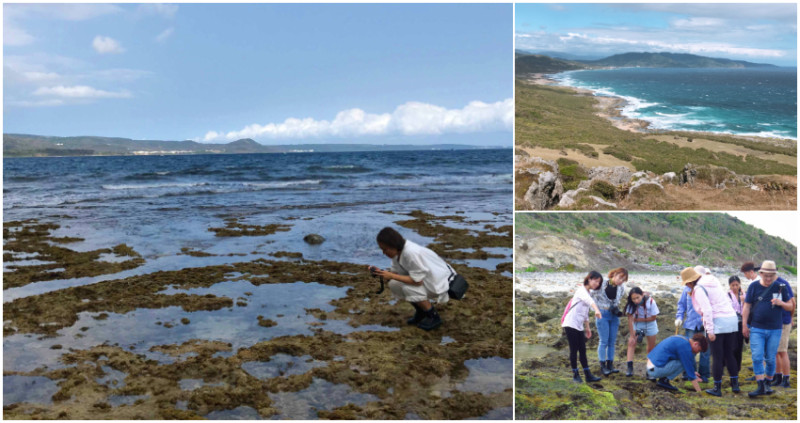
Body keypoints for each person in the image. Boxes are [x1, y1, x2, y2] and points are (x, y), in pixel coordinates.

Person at [369, 227, 452, 331]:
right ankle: (421, 312)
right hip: (428, 279)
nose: (384, 253)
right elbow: (395, 273)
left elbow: (417, 281)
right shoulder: (398, 253)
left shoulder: (410, 253)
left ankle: (434, 316)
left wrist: (392, 276)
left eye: (385, 249)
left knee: (408, 288)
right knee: (394, 284)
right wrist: (380, 273)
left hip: (440, 282)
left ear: (393, 245)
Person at [681, 267, 739, 396]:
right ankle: (735, 385)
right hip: (731, 319)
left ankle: (717, 388)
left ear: (690, 282)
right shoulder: (713, 280)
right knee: (729, 354)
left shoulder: (698, 289)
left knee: (717, 357)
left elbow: (707, 310)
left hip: (718, 321)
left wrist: (710, 330)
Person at [741, 260, 794, 397]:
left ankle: (768, 383)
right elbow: (746, 306)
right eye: (766, 275)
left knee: (770, 359)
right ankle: (760, 385)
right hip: (757, 328)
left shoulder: (780, 286)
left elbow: (791, 306)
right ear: (761, 273)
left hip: (775, 329)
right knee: (757, 357)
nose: (769, 278)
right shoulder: (753, 286)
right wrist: (744, 324)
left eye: (772, 275)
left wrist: (781, 303)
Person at [561, 271, 604, 383]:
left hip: (579, 325)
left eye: (599, 282)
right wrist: (597, 310)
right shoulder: (581, 290)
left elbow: (585, 313)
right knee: (574, 350)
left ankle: (587, 374)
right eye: (595, 280)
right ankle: (575, 374)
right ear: (589, 279)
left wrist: (587, 328)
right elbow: (590, 302)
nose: (597, 284)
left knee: (583, 350)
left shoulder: (588, 293)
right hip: (570, 323)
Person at [591, 267, 628, 376]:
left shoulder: (621, 288)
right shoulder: (602, 284)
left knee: (612, 341)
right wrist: (596, 310)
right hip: (602, 314)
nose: (620, 281)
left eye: (623, 279)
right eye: (619, 277)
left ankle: (610, 364)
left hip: (614, 316)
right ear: (614, 274)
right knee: (603, 341)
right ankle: (602, 365)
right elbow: (590, 297)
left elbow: (619, 300)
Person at [675, 282, 710, 382]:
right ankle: (689, 373)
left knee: (705, 350)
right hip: (691, 324)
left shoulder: (705, 288)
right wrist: (679, 317)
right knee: (689, 349)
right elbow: (681, 304)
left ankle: (704, 375)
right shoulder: (686, 289)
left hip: (705, 323)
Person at [624, 287, 658, 378]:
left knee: (651, 348)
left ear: (642, 295)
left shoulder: (651, 301)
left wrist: (638, 319)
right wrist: (632, 335)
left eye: (637, 298)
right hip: (637, 324)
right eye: (633, 299)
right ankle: (629, 368)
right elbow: (630, 320)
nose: (636, 300)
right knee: (631, 343)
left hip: (650, 324)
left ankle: (649, 370)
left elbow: (653, 317)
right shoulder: (631, 304)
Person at [771, 268, 795, 388]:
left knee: (782, 351)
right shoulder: (768, 284)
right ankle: (778, 376)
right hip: (774, 322)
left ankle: (786, 379)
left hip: (783, 321)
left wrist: (791, 318)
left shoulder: (783, 283)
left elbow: (793, 302)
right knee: (775, 351)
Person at [727, 276, 746, 376]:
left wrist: (743, 300)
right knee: (731, 347)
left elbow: (747, 307)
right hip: (731, 324)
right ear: (729, 285)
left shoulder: (743, 295)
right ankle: (731, 368)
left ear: (740, 285)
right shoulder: (727, 295)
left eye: (736, 285)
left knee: (739, 347)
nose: (735, 287)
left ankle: (737, 369)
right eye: (733, 285)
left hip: (741, 324)